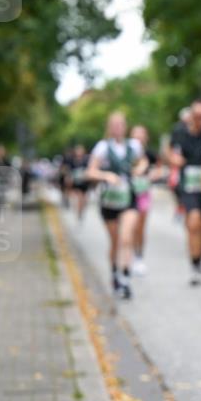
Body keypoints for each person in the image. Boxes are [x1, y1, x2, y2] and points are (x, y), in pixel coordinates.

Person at [86, 111, 145, 300]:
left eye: (121, 124)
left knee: (127, 238)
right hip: (110, 199)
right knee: (115, 242)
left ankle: (126, 277)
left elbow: (143, 160)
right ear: (110, 127)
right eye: (115, 124)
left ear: (125, 126)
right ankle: (114, 273)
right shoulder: (102, 147)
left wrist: (140, 168)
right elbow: (90, 172)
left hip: (128, 197)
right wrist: (106, 176)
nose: (118, 128)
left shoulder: (134, 146)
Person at [168, 99, 201, 285]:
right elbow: (170, 150)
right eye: (197, 117)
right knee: (193, 221)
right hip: (188, 185)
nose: (200, 121)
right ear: (191, 116)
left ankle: (199, 260)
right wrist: (174, 159)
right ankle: (194, 264)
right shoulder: (180, 131)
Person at [130, 124, 164, 275]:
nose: (138, 137)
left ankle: (139, 256)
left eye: (141, 134)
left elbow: (159, 168)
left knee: (141, 226)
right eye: (135, 134)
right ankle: (128, 254)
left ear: (146, 137)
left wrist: (152, 176)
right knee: (130, 225)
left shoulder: (150, 153)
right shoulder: (126, 152)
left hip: (143, 193)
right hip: (129, 193)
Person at [66, 144, 92, 221]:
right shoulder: (72, 160)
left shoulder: (86, 160)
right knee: (79, 197)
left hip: (84, 182)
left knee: (84, 199)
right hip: (76, 181)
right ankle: (78, 211)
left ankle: (81, 210)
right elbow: (69, 171)